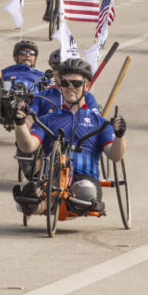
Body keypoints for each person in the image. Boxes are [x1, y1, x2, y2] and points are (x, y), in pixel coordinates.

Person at [12, 58, 126, 216]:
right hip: (52, 179)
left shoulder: (100, 123)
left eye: (76, 84)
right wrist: (19, 124)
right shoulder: (47, 120)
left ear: (87, 86)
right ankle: (33, 204)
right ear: (60, 85)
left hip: (85, 180)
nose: (70, 88)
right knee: (32, 196)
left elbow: (115, 155)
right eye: (65, 83)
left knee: (85, 191)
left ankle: (48, 202)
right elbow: (28, 146)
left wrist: (120, 136)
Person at [29, 50, 100, 117]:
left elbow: (94, 123)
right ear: (53, 71)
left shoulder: (87, 97)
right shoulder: (41, 97)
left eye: (68, 71)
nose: (63, 74)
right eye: (58, 68)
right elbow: (29, 121)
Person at [0, 40, 50, 108]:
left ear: (35, 59)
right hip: (5, 97)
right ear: (15, 57)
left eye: (31, 53)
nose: (27, 55)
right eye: (23, 52)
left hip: (32, 100)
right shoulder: (7, 70)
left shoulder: (41, 75)